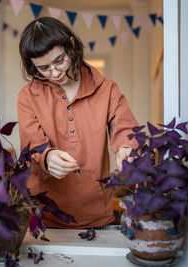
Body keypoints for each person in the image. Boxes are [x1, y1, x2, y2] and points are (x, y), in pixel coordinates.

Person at [17, 17, 138, 228]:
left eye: (59, 61)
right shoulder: (28, 96)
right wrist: (47, 158)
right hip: (44, 214)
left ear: (71, 45)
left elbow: (126, 128)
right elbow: (32, 146)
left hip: (96, 214)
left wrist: (126, 148)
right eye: (43, 68)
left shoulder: (107, 89)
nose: (55, 73)